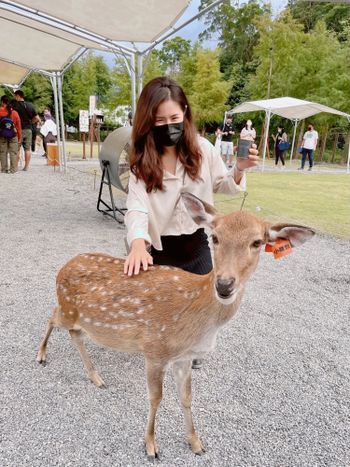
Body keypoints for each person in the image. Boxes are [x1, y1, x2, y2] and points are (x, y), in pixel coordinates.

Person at [123, 77, 259, 369]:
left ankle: (193, 347)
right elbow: (136, 207)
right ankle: (163, 347)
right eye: (159, 120)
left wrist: (239, 169)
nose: (168, 125)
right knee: (160, 306)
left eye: (174, 117)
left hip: (197, 242)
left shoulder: (203, 150)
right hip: (158, 246)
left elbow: (223, 183)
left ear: (185, 112)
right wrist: (137, 244)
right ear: (148, 122)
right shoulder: (142, 160)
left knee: (201, 304)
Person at [11, 90, 40, 171]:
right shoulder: (30, 105)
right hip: (28, 130)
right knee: (27, 149)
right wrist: (31, 122)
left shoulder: (14, 106)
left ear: (18, 96)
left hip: (18, 130)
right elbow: (37, 118)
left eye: (15, 96)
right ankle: (26, 167)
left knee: (17, 149)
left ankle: (15, 166)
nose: (14, 97)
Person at [0, 95, 22, 174]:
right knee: (13, 152)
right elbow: (18, 126)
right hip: (13, 135)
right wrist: (19, 137)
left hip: (2, 135)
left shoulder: (0, 111)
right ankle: (13, 169)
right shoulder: (15, 113)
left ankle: (4, 169)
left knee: (3, 152)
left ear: (2, 102)